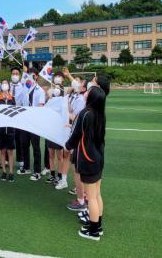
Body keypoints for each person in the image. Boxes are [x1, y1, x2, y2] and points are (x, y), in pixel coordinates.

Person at [65, 86, 107, 241]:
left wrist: (67, 145)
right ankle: (97, 225)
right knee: (96, 194)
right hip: (98, 158)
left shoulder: (85, 114)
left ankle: (94, 231)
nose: (86, 92)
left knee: (91, 197)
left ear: (92, 97)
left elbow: (75, 136)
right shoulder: (99, 114)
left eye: (89, 91)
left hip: (89, 160)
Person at [0, 66, 27, 169]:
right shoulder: (6, 85)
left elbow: (28, 83)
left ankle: (21, 159)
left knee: (18, 138)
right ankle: (6, 160)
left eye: (17, 73)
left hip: (18, 114)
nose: (15, 75)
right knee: (6, 136)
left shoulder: (23, 85)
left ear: (20, 75)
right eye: (13, 73)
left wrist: (26, 73)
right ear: (11, 75)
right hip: (5, 115)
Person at [19, 68, 46, 180]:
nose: (31, 77)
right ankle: (26, 167)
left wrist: (31, 114)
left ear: (37, 77)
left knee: (36, 147)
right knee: (24, 145)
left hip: (35, 123)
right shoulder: (25, 89)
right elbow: (20, 103)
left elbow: (40, 106)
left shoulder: (40, 90)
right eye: (29, 75)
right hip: (25, 122)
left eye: (33, 75)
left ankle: (37, 171)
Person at [45, 72, 65, 185]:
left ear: (62, 79)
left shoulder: (66, 92)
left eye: (60, 77)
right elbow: (46, 103)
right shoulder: (50, 92)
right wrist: (50, 93)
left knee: (59, 155)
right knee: (51, 153)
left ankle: (60, 175)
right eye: (56, 77)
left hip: (59, 129)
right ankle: (52, 174)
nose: (58, 79)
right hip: (50, 128)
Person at [0, 79, 16, 182]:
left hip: (11, 129)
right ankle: (4, 171)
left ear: (9, 85)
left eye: (6, 83)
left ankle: (11, 172)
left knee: (10, 152)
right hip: (1, 129)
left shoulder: (12, 98)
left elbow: (15, 112)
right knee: (2, 151)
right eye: (3, 83)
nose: (4, 85)